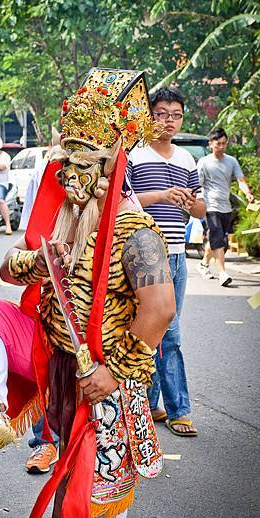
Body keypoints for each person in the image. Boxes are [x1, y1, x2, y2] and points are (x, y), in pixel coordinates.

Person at [0, 69, 175, 518]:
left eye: (84, 162)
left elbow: (159, 310)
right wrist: (41, 265)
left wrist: (114, 371)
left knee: (104, 474)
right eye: (67, 160)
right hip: (51, 351)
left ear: (110, 165)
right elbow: (6, 269)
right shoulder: (60, 216)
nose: (70, 173)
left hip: (107, 372)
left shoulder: (135, 231)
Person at [128, 87, 206, 437]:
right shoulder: (135, 154)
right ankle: (180, 410)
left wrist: (190, 202)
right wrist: (162, 194)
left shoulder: (188, 160)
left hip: (177, 256)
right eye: (161, 113)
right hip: (146, 257)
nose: (168, 120)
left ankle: (152, 403)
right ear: (150, 115)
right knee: (166, 334)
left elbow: (203, 209)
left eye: (175, 114)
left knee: (162, 333)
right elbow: (124, 201)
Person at [197, 128, 254, 286]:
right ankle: (222, 273)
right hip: (210, 206)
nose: (221, 146)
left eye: (224, 143)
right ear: (210, 144)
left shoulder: (231, 161)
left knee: (220, 241)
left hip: (226, 207)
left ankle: (203, 264)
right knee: (217, 238)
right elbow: (197, 185)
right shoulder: (204, 162)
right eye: (218, 144)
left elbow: (240, 180)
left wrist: (247, 193)